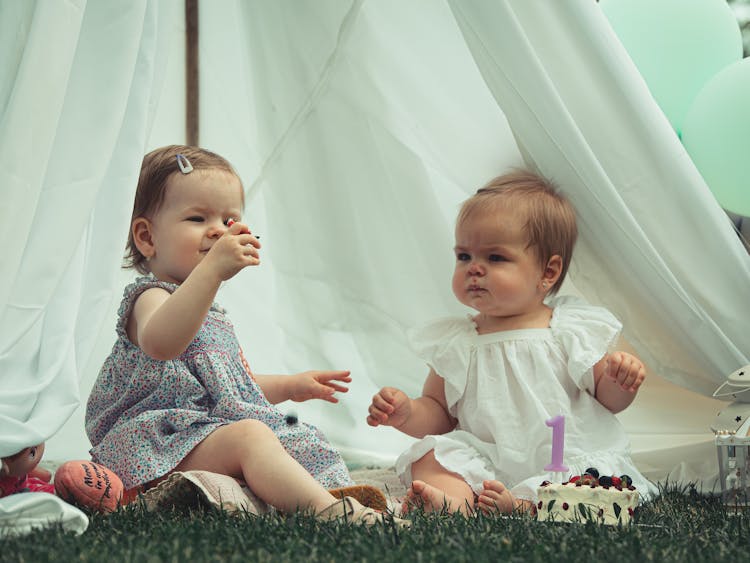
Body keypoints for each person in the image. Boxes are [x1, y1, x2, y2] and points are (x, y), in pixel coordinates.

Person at [85, 145, 407, 526]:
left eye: (229, 219)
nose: (219, 231)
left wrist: (289, 386)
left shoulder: (212, 314)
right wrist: (213, 272)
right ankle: (329, 512)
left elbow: (227, 387)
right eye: (198, 217)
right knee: (251, 437)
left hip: (202, 433)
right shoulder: (151, 297)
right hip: (156, 442)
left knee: (299, 437)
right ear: (146, 237)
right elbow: (161, 344)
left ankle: (319, 492)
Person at [366, 169, 658, 515]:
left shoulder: (569, 329)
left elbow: (607, 400)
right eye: (464, 256)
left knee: (588, 483)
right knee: (433, 455)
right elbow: (440, 413)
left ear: (547, 273)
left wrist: (619, 380)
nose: (474, 268)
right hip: (487, 456)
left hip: (562, 456)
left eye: (495, 257)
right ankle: (452, 501)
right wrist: (407, 412)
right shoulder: (458, 341)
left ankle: (523, 504)